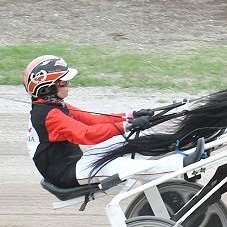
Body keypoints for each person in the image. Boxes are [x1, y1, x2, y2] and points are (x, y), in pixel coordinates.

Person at [24, 54, 201, 188]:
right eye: (63, 82)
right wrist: (127, 125)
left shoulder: (56, 106)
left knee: (130, 138)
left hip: (77, 162)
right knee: (119, 165)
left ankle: (180, 151)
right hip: (66, 174)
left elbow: (94, 120)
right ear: (46, 88)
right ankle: (182, 165)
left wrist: (132, 116)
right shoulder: (49, 115)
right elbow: (87, 135)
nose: (68, 85)